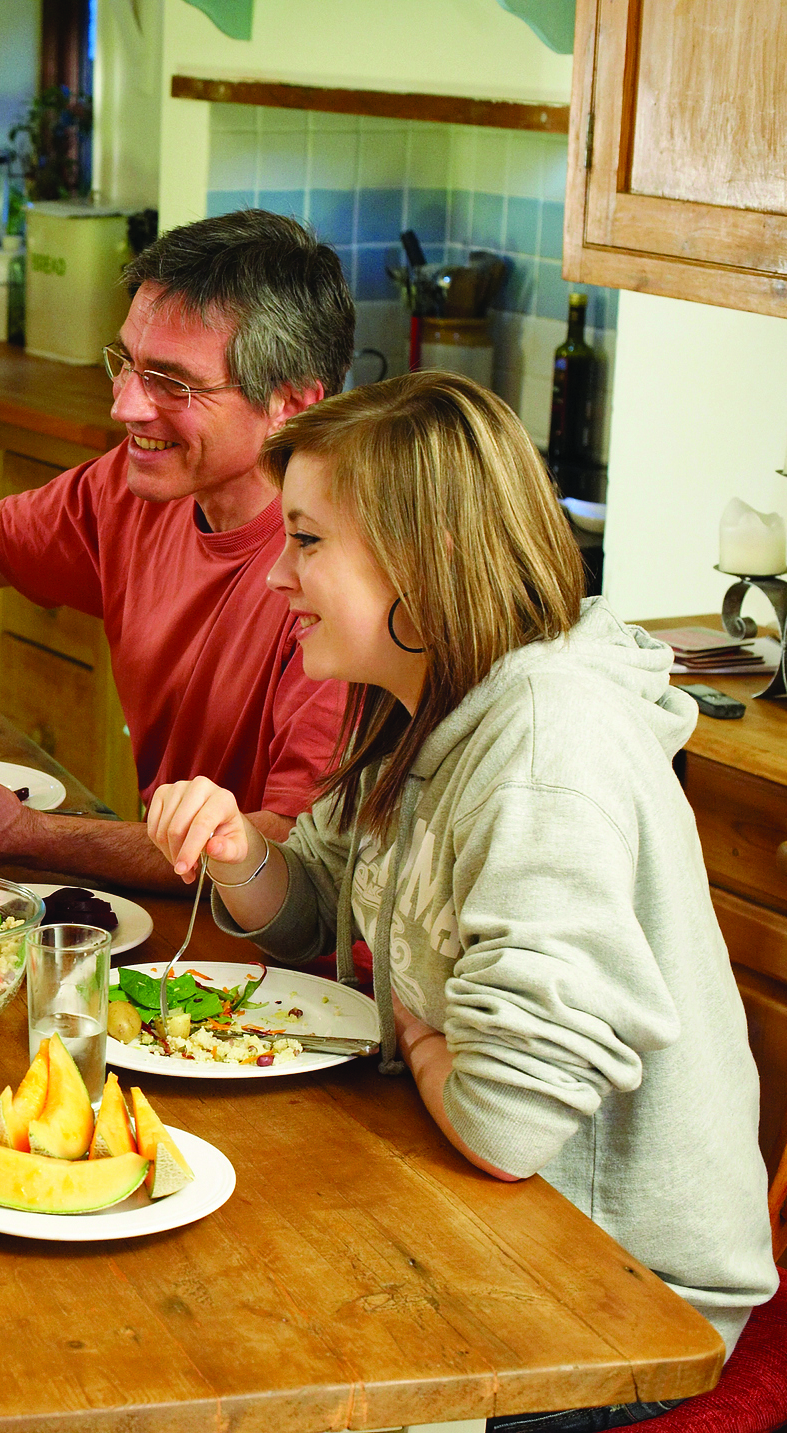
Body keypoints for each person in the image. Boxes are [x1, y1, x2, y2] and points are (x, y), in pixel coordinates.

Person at [146, 372, 776, 1397]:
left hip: (614, 1292)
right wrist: (238, 852)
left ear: (426, 561)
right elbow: (315, 908)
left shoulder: (541, 748)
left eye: (307, 541)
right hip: (490, 1216)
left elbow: (504, 1123)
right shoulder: (414, 696)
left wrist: (428, 1040)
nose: (276, 576)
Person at [0, 210, 352, 891]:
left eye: (171, 383)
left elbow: (287, 859)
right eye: (126, 363)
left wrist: (26, 838)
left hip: (283, 959)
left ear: (290, 402)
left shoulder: (344, 582)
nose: (125, 406)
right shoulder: (138, 484)